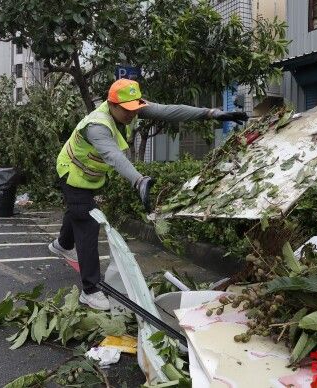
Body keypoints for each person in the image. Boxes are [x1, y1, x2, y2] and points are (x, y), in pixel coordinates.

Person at [48, 79, 247, 310]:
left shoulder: (130, 108)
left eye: (135, 108)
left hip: (90, 175)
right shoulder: (97, 125)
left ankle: (62, 244)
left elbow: (168, 111)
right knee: (88, 221)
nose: (132, 114)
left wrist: (211, 113)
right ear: (112, 104)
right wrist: (138, 180)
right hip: (72, 171)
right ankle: (90, 290)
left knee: (79, 210)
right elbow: (114, 156)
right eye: (126, 110)